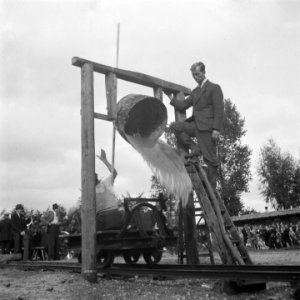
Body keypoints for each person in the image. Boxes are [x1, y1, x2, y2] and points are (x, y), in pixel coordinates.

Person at [167, 62, 224, 189]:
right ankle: (195, 148)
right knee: (175, 126)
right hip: (195, 126)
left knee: (211, 160)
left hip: (208, 129)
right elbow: (183, 105)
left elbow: (219, 110)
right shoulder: (195, 91)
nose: (195, 77)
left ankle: (212, 190)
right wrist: (171, 98)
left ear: (204, 72)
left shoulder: (214, 88)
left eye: (197, 74)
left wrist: (216, 129)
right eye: (193, 75)